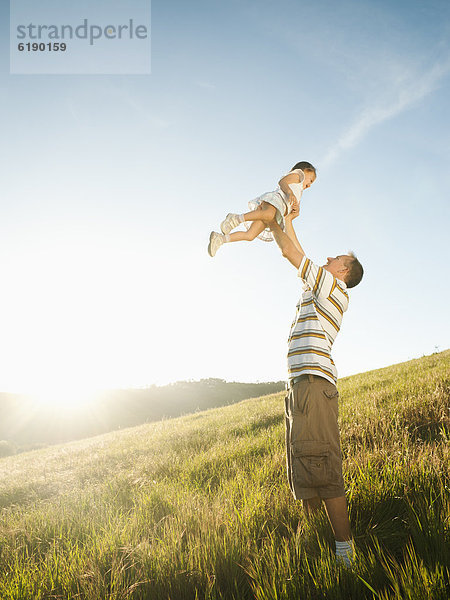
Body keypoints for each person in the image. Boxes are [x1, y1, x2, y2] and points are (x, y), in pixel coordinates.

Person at [267, 200, 363, 568]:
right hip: (299, 388)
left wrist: (275, 221)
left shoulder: (335, 290)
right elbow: (296, 252)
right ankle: (314, 543)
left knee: (322, 463)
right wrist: (286, 220)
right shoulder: (317, 289)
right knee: (302, 465)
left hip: (313, 386)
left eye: (334, 257)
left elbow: (293, 252)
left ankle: (344, 551)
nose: (327, 258)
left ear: (343, 270)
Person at [208, 161, 316, 257]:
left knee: (250, 235)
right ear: (305, 171)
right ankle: (236, 218)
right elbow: (282, 182)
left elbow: (291, 208)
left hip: (277, 212)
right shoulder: (298, 176)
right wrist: (289, 193)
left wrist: (295, 209)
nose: (310, 185)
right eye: (310, 180)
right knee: (269, 214)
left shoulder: (299, 192)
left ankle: (220, 239)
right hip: (275, 201)